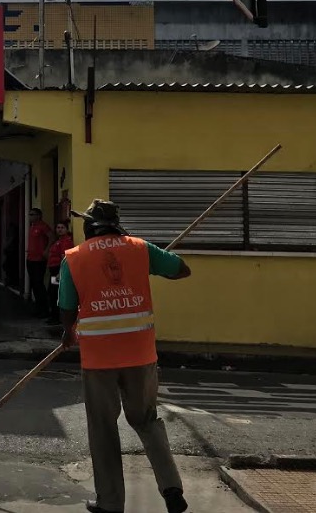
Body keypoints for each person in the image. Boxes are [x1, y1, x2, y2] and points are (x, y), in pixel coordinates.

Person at [58, 200, 191, 513]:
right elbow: (182, 270)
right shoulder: (139, 249)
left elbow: (66, 307)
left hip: (99, 358)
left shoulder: (74, 258)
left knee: (103, 428)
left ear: (89, 225)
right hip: (140, 354)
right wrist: (145, 255)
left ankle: (111, 502)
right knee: (146, 421)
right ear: (117, 224)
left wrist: (68, 333)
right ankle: (172, 488)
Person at [26, 208, 53, 317]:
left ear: (38, 215)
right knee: (34, 285)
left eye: (32, 214)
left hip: (39, 260)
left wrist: (46, 251)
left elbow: (52, 237)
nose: (30, 216)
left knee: (39, 284)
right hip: (30, 259)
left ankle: (45, 310)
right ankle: (38, 308)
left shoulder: (43, 226)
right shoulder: (32, 227)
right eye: (29, 214)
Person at [46, 220, 75, 322]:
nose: (60, 229)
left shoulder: (66, 242)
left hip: (58, 271)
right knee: (53, 292)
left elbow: (64, 258)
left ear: (67, 229)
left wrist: (59, 273)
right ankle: (54, 316)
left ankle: (56, 317)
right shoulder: (59, 240)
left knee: (54, 293)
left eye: (62, 227)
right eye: (58, 227)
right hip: (54, 270)